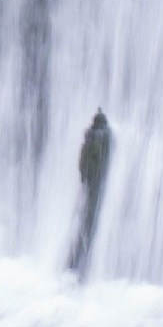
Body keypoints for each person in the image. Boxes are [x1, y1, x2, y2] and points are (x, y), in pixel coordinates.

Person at [66, 109, 113, 279]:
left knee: (84, 219)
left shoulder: (89, 138)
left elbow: (83, 162)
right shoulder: (99, 139)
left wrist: (84, 177)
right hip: (94, 184)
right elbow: (94, 161)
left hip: (89, 183)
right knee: (88, 220)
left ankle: (74, 262)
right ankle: (79, 263)